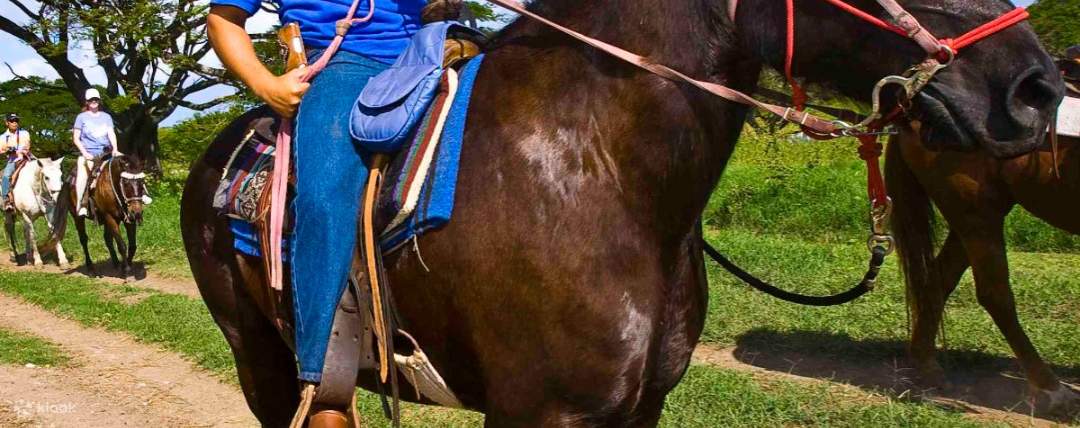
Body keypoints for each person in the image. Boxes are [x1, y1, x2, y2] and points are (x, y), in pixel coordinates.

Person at [207, 0, 428, 388]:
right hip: (347, 61)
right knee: (324, 200)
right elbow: (223, 19)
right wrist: (267, 85)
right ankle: (323, 378)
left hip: (439, 49)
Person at [72, 88, 121, 217]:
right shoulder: (81, 117)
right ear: (87, 102)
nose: (94, 102)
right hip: (89, 153)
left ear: (99, 101)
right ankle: (81, 204)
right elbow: (76, 138)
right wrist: (84, 153)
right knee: (82, 175)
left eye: (96, 99)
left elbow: (111, 134)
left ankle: (139, 196)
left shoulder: (106, 117)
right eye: (91, 100)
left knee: (127, 165)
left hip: (105, 153)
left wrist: (115, 149)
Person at [1, 113, 31, 212]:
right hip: (13, 161)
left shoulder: (24, 133)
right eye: (12, 121)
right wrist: (8, 150)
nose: (15, 123)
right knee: (6, 176)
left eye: (16, 121)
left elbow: (27, 146)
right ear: (7, 123)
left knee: (46, 168)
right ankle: (6, 200)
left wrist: (22, 150)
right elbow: (1, 150)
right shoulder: (3, 137)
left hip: (26, 158)